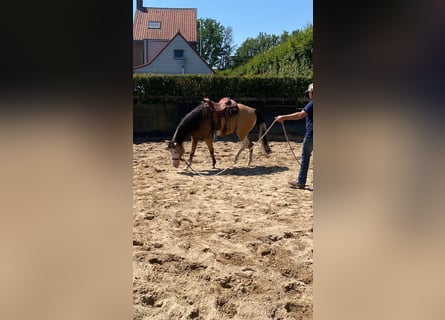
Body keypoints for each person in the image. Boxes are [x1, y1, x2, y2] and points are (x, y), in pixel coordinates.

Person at [275, 83, 313, 189]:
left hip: (311, 136)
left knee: (305, 158)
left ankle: (301, 181)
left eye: (309, 93)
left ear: (312, 93)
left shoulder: (312, 103)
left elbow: (301, 115)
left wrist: (283, 117)